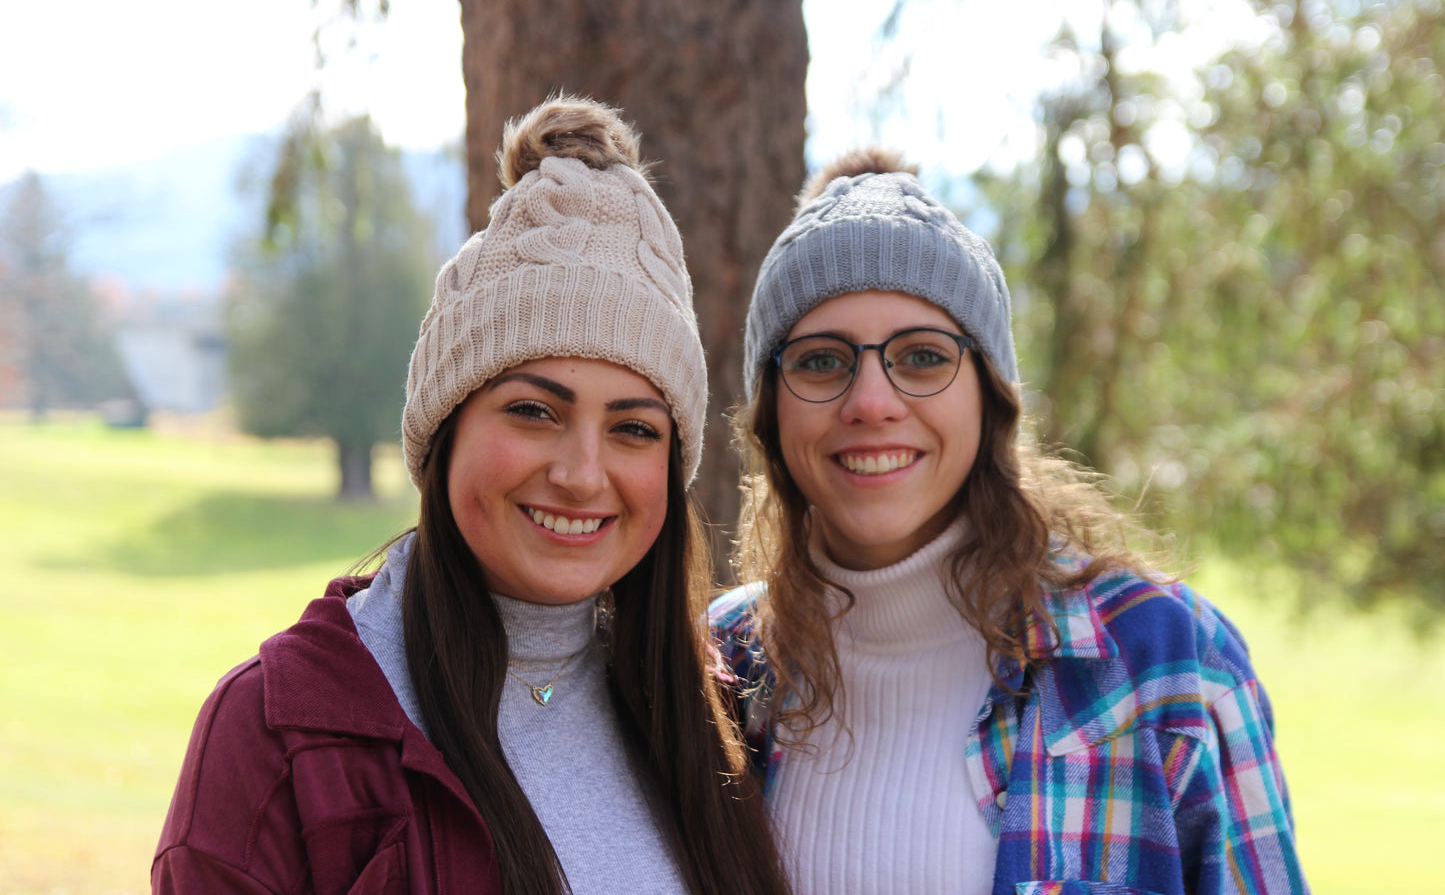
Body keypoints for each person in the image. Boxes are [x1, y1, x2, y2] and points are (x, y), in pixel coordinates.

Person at [154, 96, 790, 895]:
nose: (582, 472)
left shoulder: (715, 718)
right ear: (443, 428)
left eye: (633, 429)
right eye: (533, 410)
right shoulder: (279, 734)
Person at [710, 147, 1309, 895]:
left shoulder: (1165, 663)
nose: (870, 401)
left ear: (988, 398)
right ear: (770, 411)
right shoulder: (719, 670)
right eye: (820, 361)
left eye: (922, 356)